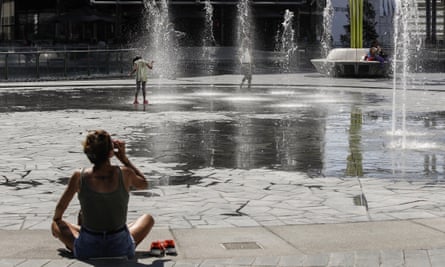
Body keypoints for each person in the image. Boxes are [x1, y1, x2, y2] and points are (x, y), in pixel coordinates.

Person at [51, 130, 154, 260]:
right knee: (147, 218)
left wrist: (59, 226)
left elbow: (59, 211)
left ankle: (79, 240)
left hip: (87, 249)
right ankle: (109, 234)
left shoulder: (79, 176)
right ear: (111, 152)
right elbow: (144, 183)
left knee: (56, 224)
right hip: (120, 248)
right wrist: (124, 159)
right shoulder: (125, 174)